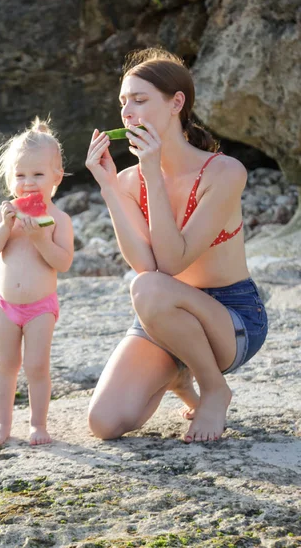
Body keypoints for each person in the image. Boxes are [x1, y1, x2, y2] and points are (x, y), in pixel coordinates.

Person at [85, 48, 268, 443]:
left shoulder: (223, 172)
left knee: (148, 287)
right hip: (163, 315)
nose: (127, 111)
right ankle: (180, 375)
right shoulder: (130, 181)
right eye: (123, 102)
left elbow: (168, 264)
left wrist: (152, 173)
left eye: (140, 99)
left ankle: (214, 388)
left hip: (229, 316)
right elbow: (143, 262)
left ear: (176, 103)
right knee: (105, 422)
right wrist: (110, 189)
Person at [0, 117, 74, 446]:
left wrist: (42, 240)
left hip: (40, 308)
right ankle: (2, 424)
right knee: (5, 365)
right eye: (20, 175)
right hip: (5, 306)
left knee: (36, 366)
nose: (28, 183)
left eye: (37, 174)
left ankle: (38, 424)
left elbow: (63, 262)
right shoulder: (4, 213)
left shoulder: (59, 219)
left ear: (56, 177)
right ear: (11, 178)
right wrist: (5, 228)